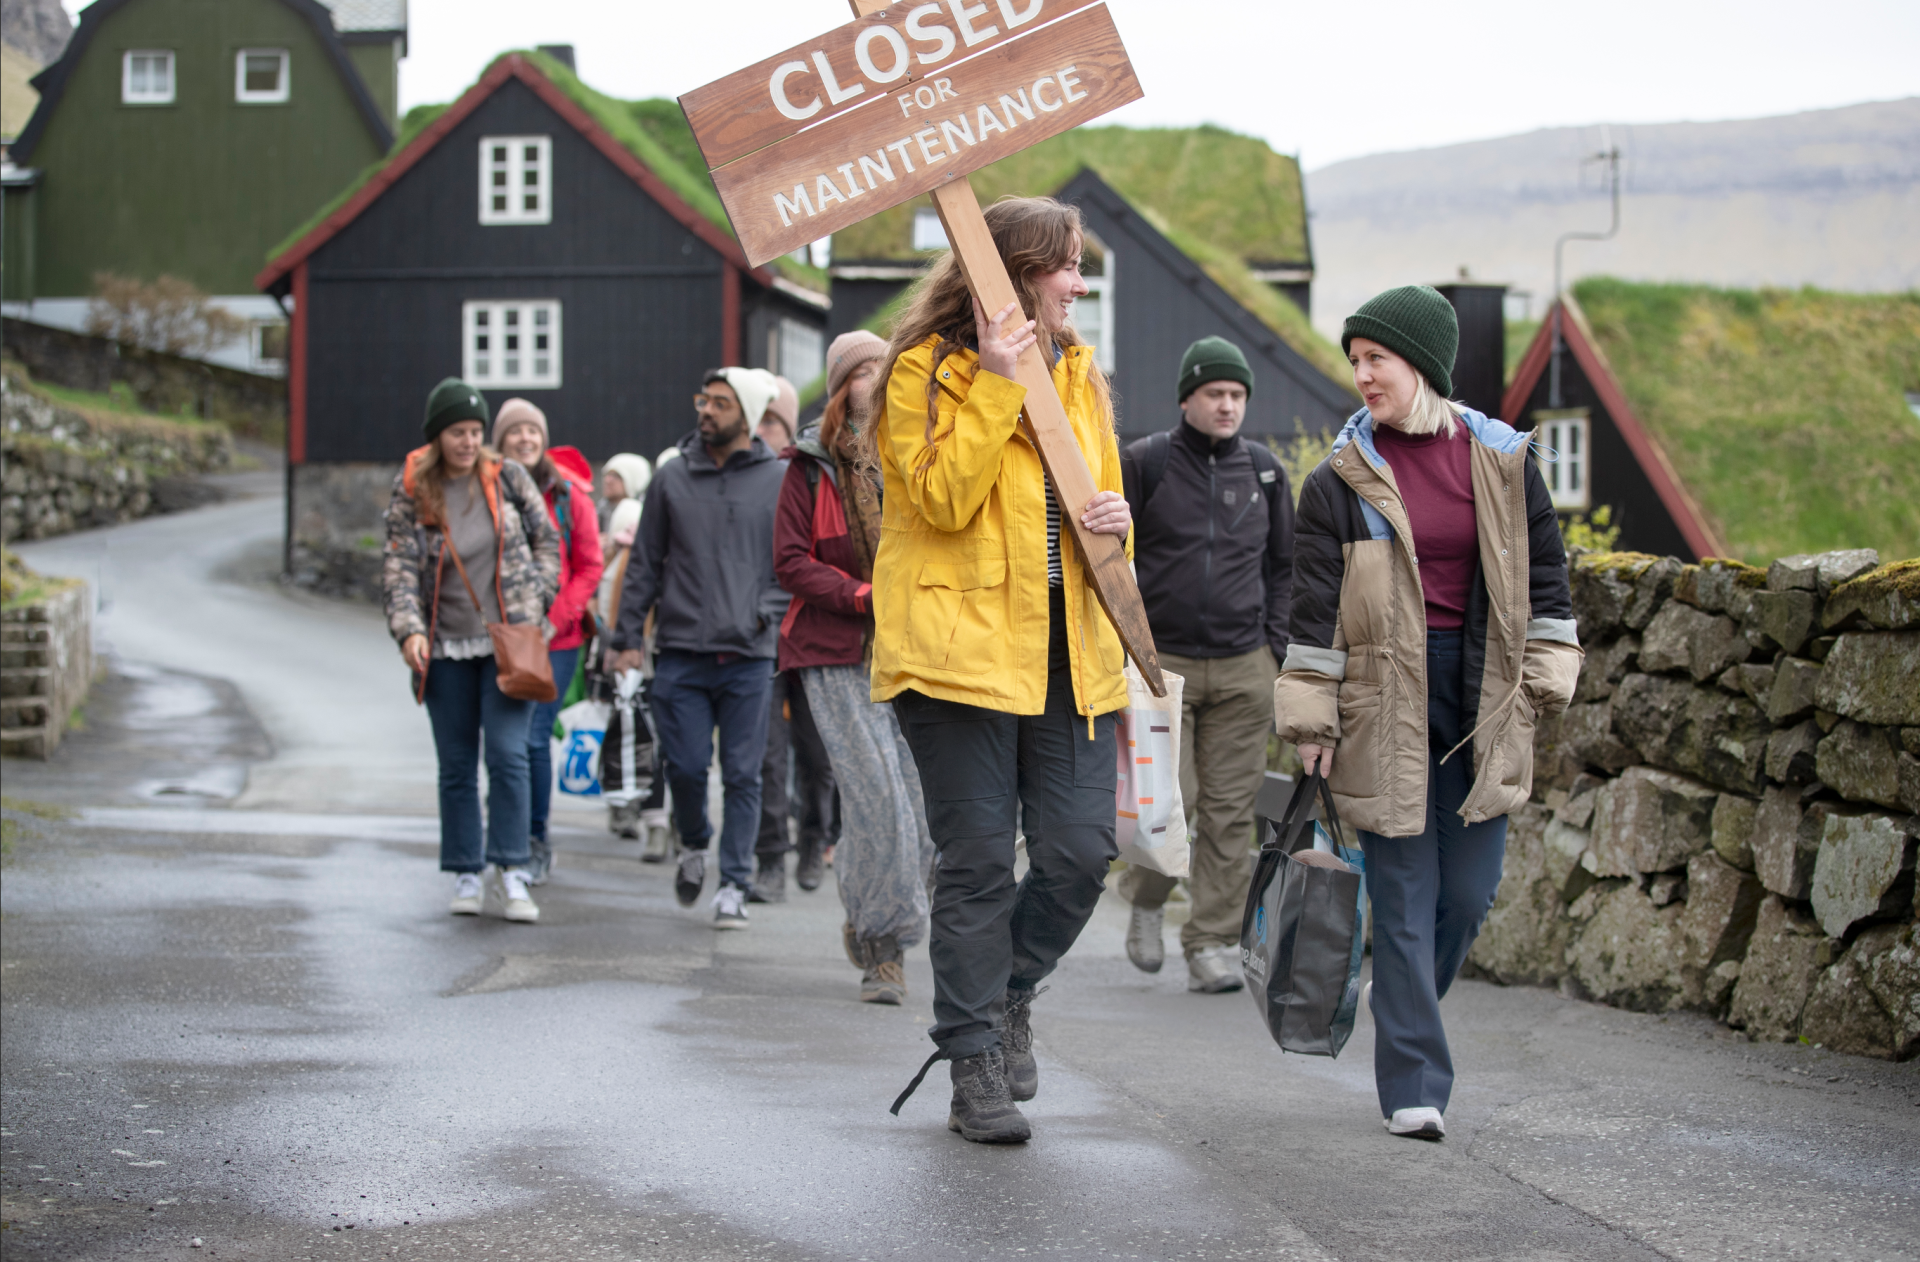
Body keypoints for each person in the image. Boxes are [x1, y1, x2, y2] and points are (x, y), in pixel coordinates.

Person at [1273, 284, 1582, 1141]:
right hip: (1383, 699)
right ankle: (1414, 1084)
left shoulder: (1505, 462)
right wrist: (1312, 722)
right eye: (1357, 362)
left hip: (1483, 692)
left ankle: (1399, 996)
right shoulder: (1338, 481)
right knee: (1405, 897)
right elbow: (1314, 614)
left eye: (1378, 360)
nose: (1363, 376)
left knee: (1470, 894)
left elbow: (1549, 584)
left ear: (1424, 365)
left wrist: (1550, 672)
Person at [870, 196, 1132, 1144]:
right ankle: (974, 1062)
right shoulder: (919, 373)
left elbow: (1097, 498)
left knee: (1078, 853)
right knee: (977, 866)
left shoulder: (1079, 368)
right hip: (956, 660)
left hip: (1070, 654)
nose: (1078, 282)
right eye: (1065, 265)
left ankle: (1010, 991)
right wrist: (994, 379)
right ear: (1015, 273)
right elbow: (940, 499)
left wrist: (1117, 520)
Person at [1117, 337, 1294, 993]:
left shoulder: (1267, 473)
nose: (1228, 406)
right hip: (1164, 665)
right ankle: (1147, 900)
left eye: (1238, 395)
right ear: (1188, 398)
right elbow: (1114, 556)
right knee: (1170, 805)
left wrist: (1273, 648)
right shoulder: (1148, 462)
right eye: (1216, 394)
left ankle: (1210, 943)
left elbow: (1284, 568)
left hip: (1245, 667)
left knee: (1229, 811)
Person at [775, 329, 935, 1005]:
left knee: (923, 812)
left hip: (916, 652)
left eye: (885, 367)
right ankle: (883, 948)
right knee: (880, 805)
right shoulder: (810, 467)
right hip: (835, 652)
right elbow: (788, 560)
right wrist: (862, 596)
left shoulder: (920, 455)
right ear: (843, 386)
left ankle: (870, 916)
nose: (876, 380)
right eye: (863, 370)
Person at [610, 367, 788, 929]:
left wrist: (768, 616)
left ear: (749, 414)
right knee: (684, 767)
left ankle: (734, 883)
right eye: (702, 401)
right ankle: (693, 844)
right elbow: (643, 562)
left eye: (718, 403)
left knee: (742, 773)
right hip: (681, 650)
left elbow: (790, 563)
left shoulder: (777, 480)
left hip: (748, 655)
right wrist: (626, 639)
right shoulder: (671, 477)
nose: (705, 411)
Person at [383, 378, 560, 924]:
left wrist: (537, 599)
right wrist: (409, 629)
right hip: (443, 648)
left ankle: (512, 871)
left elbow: (547, 541)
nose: (467, 441)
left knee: (508, 756)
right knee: (456, 764)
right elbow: (398, 566)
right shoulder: (413, 488)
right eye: (457, 432)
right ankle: (466, 869)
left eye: (475, 431)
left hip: (508, 645)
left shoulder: (505, 476)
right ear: (436, 436)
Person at [494, 399, 603, 884]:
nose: (524, 439)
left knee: (534, 737)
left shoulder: (567, 494)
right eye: (514, 432)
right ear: (500, 441)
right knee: (502, 740)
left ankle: (534, 838)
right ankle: (502, 834)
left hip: (556, 640)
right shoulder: (486, 489)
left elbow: (589, 565)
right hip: (500, 637)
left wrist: (556, 619)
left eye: (531, 431)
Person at [598, 452, 652, 535]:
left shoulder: (645, 516)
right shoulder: (599, 513)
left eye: (616, 476)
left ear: (633, 481)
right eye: (607, 474)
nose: (607, 480)